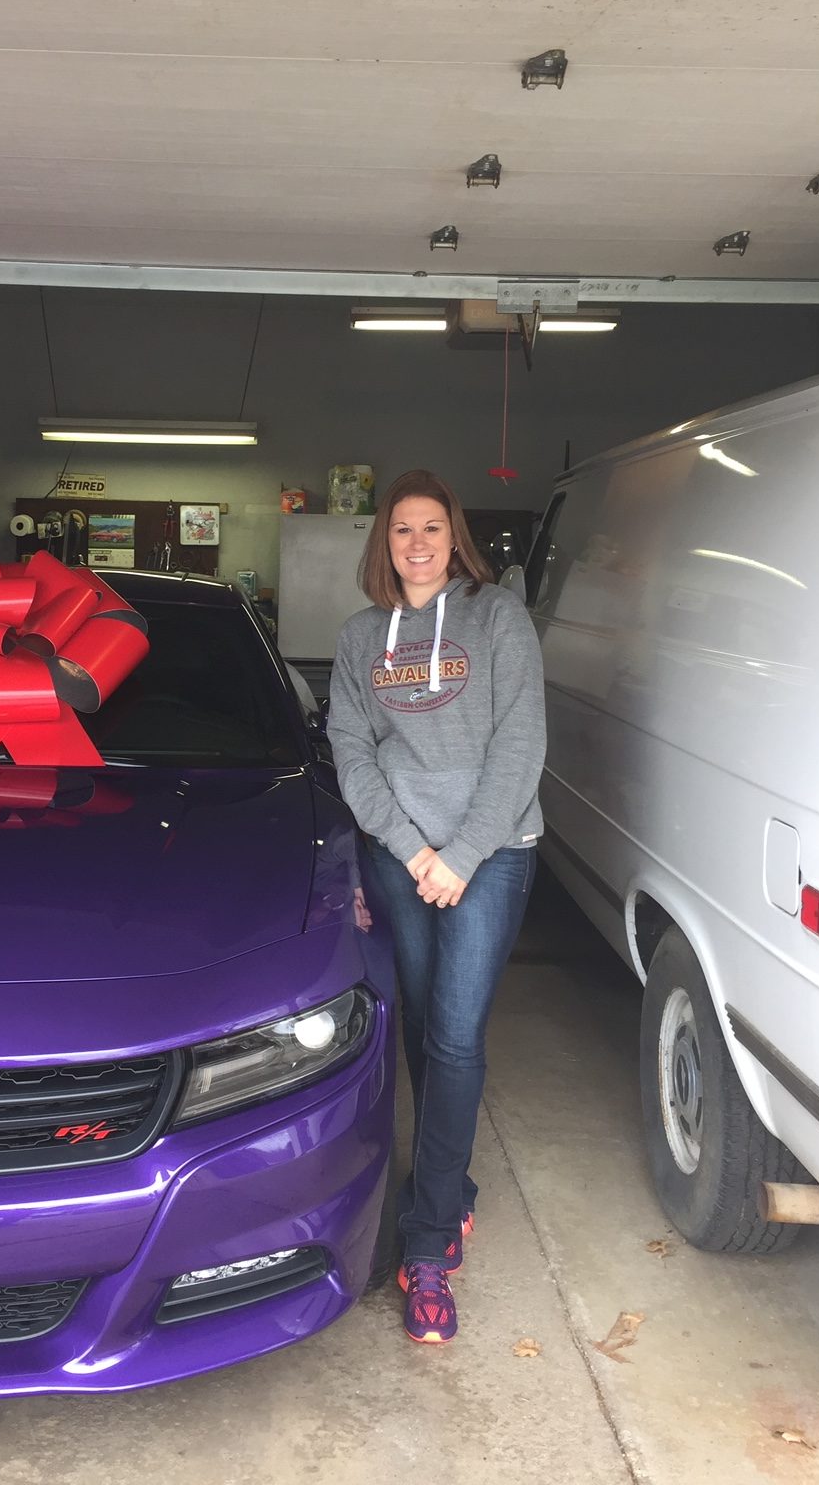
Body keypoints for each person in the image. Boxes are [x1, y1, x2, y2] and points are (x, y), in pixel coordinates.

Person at [328, 469, 545, 1346]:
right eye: (401, 530)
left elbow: (519, 745)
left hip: (491, 855)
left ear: (455, 538)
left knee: (455, 1031)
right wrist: (413, 851)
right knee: (420, 1022)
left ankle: (426, 1246)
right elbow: (352, 756)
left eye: (432, 528)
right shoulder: (357, 639)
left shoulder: (500, 620)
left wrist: (459, 856)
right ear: (383, 544)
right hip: (401, 854)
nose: (417, 542)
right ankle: (452, 1188)